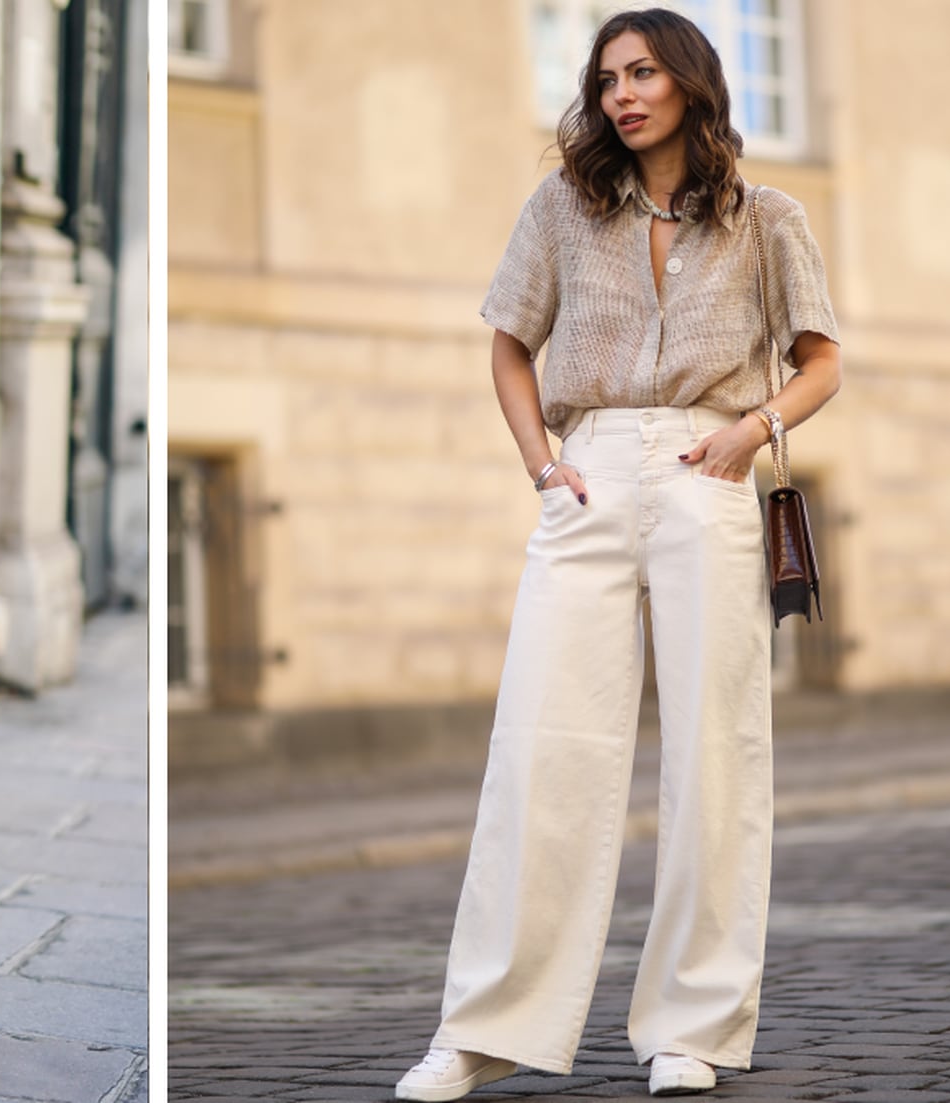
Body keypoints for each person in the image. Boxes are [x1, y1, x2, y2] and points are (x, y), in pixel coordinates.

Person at [395, 8, 841, 1101]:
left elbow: (822, 362)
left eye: (642, 73)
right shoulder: (561, 204)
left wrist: (750, 430)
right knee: (540, 742)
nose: (622, 96)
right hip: (587, 470)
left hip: (708, 473)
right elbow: (508, 341)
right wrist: (541, 464)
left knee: (714, 750)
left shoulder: (765, 218)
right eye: (605, 81)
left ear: (690, 81)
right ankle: (485, 1024)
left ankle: (693, 1026)